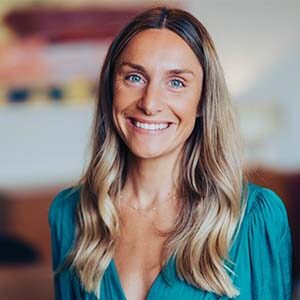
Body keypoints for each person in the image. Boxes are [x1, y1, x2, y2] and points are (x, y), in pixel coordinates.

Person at [48, 6, 292, 300]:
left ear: (203, 102)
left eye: (176, 82)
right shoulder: (70, 214)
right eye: (134, 78)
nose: (150, 103)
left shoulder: (255, 217)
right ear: (112, 88)